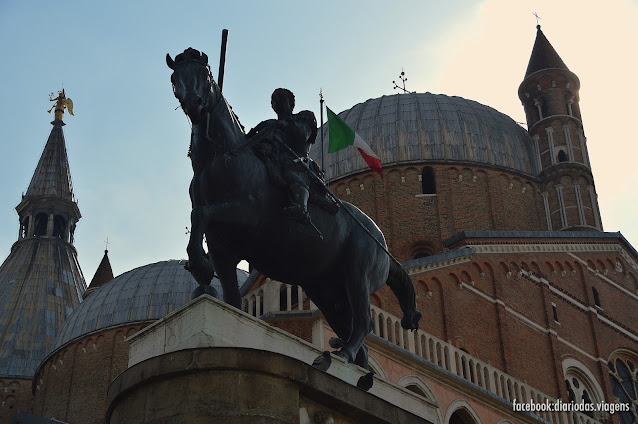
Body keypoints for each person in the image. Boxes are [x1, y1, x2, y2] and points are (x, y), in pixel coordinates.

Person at [248, 88, 318, 224]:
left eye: (281, 98)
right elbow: (252, 140)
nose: (276, 102)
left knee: (291, 174)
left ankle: (301, 207)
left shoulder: (304, 118)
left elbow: (302, 134)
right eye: (274, 100)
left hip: (296, 162)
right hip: (273, 161)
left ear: (291, 103)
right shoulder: (268, 124)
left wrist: (284, 125)